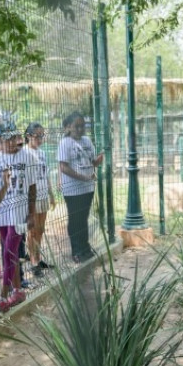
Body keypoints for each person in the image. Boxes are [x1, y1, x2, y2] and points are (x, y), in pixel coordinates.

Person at [0, 120, 36, 312]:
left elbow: (32, 186)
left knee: (9, 251)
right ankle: (17, 290)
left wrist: (31, 213)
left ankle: (3, 294)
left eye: (13, 138)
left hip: (18, 213)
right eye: (5, 139)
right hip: (1, 213)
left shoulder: (27, 157)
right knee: (9, 253)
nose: (10, 142)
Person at [57, 111, 103, 263]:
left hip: (87, 187)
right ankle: (77, 250)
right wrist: (83, 177)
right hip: (73, 189)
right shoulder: (65, 143)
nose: (80, 129)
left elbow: (92, 162)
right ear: (68, 127)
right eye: (77, 126)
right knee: (75, 219)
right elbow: (63, 167)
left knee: (83, 218)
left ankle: (85, 248)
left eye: (82, 126)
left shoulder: (87, 141)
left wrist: (99, 159)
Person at [24, 123, 56, 277]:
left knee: (41, 229)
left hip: (43, 194)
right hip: (32, 197)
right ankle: (33, 261)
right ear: (28, 136)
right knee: (32, 230)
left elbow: (46, 174)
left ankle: (38, 257)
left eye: (42, 135)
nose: (40, 139)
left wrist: (51, 194)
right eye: (37, 136)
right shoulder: (24, 153)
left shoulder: (42, 153)